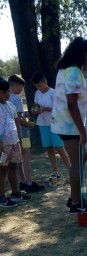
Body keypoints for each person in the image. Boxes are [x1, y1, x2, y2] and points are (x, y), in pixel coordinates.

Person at [51, 37, 87, 214]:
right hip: (69, 126)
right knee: (77, 163)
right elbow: (71, 104)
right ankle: (76, 202)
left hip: (65, 125)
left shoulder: (65, 70)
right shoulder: (72, 72)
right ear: (85, 55)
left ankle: (75, 197)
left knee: (81, 160)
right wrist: (83, 132)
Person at [31, 72, 71, 185]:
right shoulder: (37, 93)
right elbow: (35, 106)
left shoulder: (53, 93)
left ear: (45, 82)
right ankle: (55, 175)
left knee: (59, 147)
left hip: (54, 124)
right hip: (43, 124)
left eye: (40, 85)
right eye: (36, 86)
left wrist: (44, 109)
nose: (39, 88)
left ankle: (70, 172)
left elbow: (58, 109)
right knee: (49, 148)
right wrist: (35, 110)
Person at [8, 74, 45, 193]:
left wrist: (24, 114)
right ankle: (29, 183)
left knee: (19, 157)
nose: (22, 91)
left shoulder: (6, 97)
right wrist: (29, 124)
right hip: (22, 132)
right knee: (27, 157)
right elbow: (18, 119)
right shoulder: (17, 99)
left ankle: (23, 180)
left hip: (11, 133)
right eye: (21, 88)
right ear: (16, 86)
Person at [0, 77, 31, 207]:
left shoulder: (11, 105)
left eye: (8, 91)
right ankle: (1, 197)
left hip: (14, 142)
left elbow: (16, 123)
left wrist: (20, 141)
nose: (8, 94)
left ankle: (15, 192)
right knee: (2, 170)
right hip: (3, 144)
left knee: (13, 166)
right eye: (4, 92)